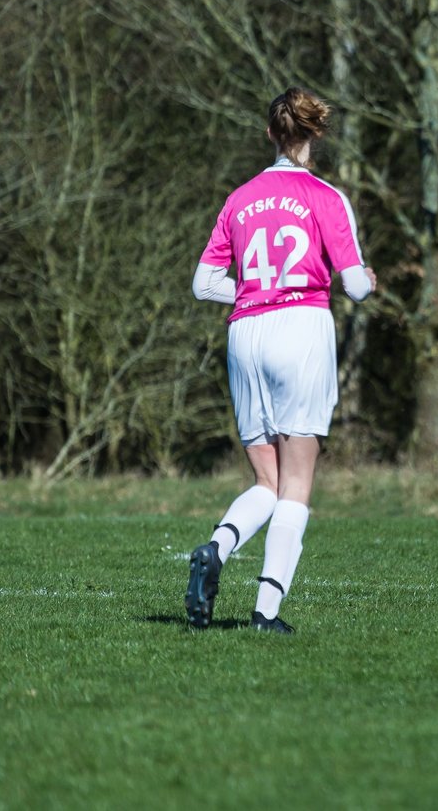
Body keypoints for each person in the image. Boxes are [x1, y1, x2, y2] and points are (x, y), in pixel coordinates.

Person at [185, 86, 377, 634]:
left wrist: (253, 292)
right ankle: (266, 613)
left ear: (271, 133)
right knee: (295, 486)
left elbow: (204, 285)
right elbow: (357, 287)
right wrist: (366, 279)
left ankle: (217, 549)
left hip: (245, 331)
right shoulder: (325, 196)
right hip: (301, 329)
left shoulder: (239, 198)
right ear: (313, 134)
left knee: (266, 482)